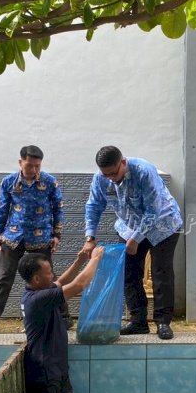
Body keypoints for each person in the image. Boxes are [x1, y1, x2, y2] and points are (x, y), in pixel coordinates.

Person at [82, 146, 183, 340]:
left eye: (114, 173)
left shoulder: (144, 171)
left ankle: (163, 322)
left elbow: (153, 210)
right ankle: (138, 321)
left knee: (161, 272)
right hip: (129, 225)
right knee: (129, 273)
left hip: (163, 224)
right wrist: (90, 237)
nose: (111, 178)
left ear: (123, 162)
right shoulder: (100, 178)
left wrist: (136, 239)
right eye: (106, 174)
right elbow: (93, 206)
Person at [0, 145, 67, 334]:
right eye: (30, 166)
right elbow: (2, 208)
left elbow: (58, 209)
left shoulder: (50, 182)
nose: (34, 170)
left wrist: (57, 235)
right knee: (4, 278)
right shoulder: (9, 182)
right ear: (21, 163)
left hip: (41, 237)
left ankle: (64, 318)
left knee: (48, 278)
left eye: (37, 166)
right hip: (13, 236)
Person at [20, 247, 104, 393]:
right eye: (48, 273)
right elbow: (78, 285)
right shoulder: (38, 299)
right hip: (46, 365)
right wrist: (96, 258)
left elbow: (61, 282)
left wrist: (79, 261)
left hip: (57, 362)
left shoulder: (38, 291)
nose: (53, 276)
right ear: (36, 279)